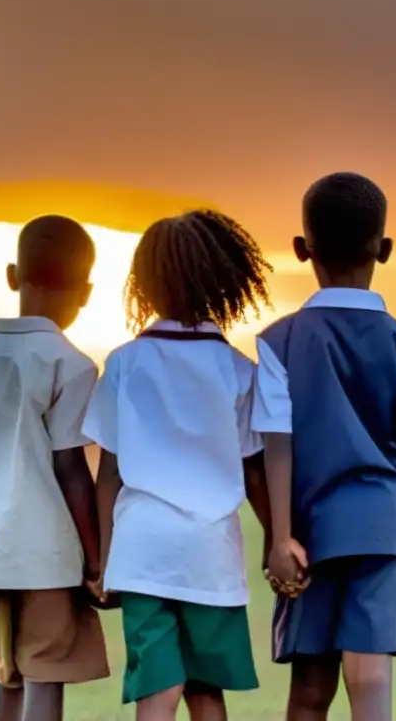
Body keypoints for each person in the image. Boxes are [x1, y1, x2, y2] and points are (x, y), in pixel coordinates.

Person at [252, 172, 396, 721]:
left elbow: (276, 445)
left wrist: (279, 537)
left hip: (312, 531)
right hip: (387, 530)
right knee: (370, 681)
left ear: (302, 249)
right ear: (384, 249)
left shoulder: (278, 342)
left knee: (309, 689)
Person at [82, 209, 274, 721]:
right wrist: (278, 540)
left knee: (157, 689)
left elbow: (110, 473)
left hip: (143, 550)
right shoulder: (238, 370)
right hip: (211, 553)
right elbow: (255, 471)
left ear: (142, 284)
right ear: (225, 281)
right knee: (206, 691)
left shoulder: (123, 363)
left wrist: (100, 558)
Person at [0, 216, 109, 721]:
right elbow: (71, 467)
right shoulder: (70, 365)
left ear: (13, 275)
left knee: (5, 669)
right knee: (46, 669)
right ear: (87, 291)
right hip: (46, 551)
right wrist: (95, 560)